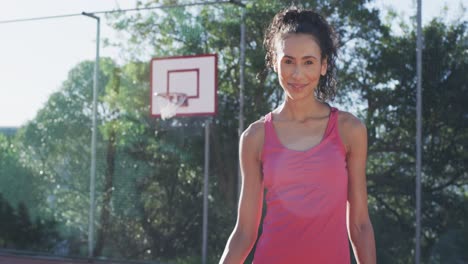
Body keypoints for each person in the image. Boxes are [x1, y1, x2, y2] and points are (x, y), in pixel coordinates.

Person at [219, 5, 376, 264]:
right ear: (273, 62)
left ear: (324, 65)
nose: (297, 73)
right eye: (288, 61)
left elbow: (359, 226)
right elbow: (244, 233)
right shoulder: (254, 138)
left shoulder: (351, 131)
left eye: (309, 62)